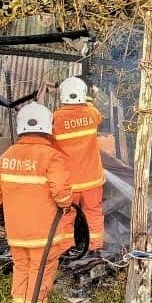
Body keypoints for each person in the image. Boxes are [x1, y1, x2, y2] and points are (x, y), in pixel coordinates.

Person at [0, 102, 75, 303]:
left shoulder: (8, 156)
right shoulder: (52, 157)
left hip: (16, 233)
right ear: (47, 127)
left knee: (21, 269)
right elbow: (61, 192)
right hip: (43, 234)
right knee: (39, 274)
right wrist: (66, 204)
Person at [51, 77, 106, 254]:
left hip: (69, 182)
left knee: (66, 215)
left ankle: (67, 248)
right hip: (92, 179)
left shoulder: (56, 119)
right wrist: (89, 101)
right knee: (93, 213)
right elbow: (98, 115)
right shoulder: (91, 113)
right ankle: (95, 248)